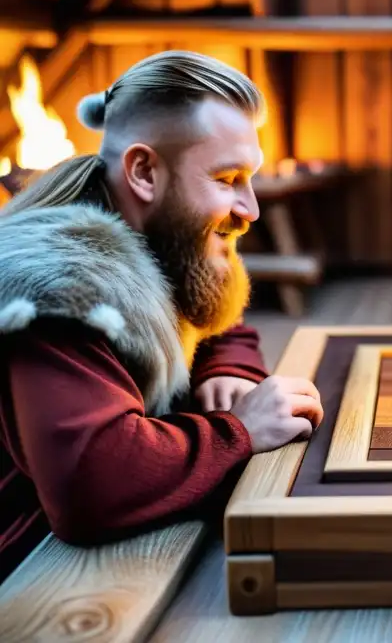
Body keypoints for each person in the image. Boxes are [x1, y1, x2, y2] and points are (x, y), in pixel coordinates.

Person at [0, 51, 324, 583]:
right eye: (228, 178)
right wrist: (238, 431)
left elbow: (217, 316)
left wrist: (229, 370)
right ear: (145, 171)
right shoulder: (58, 287)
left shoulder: (154, 228)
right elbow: (91, 482)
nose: (251, 209)